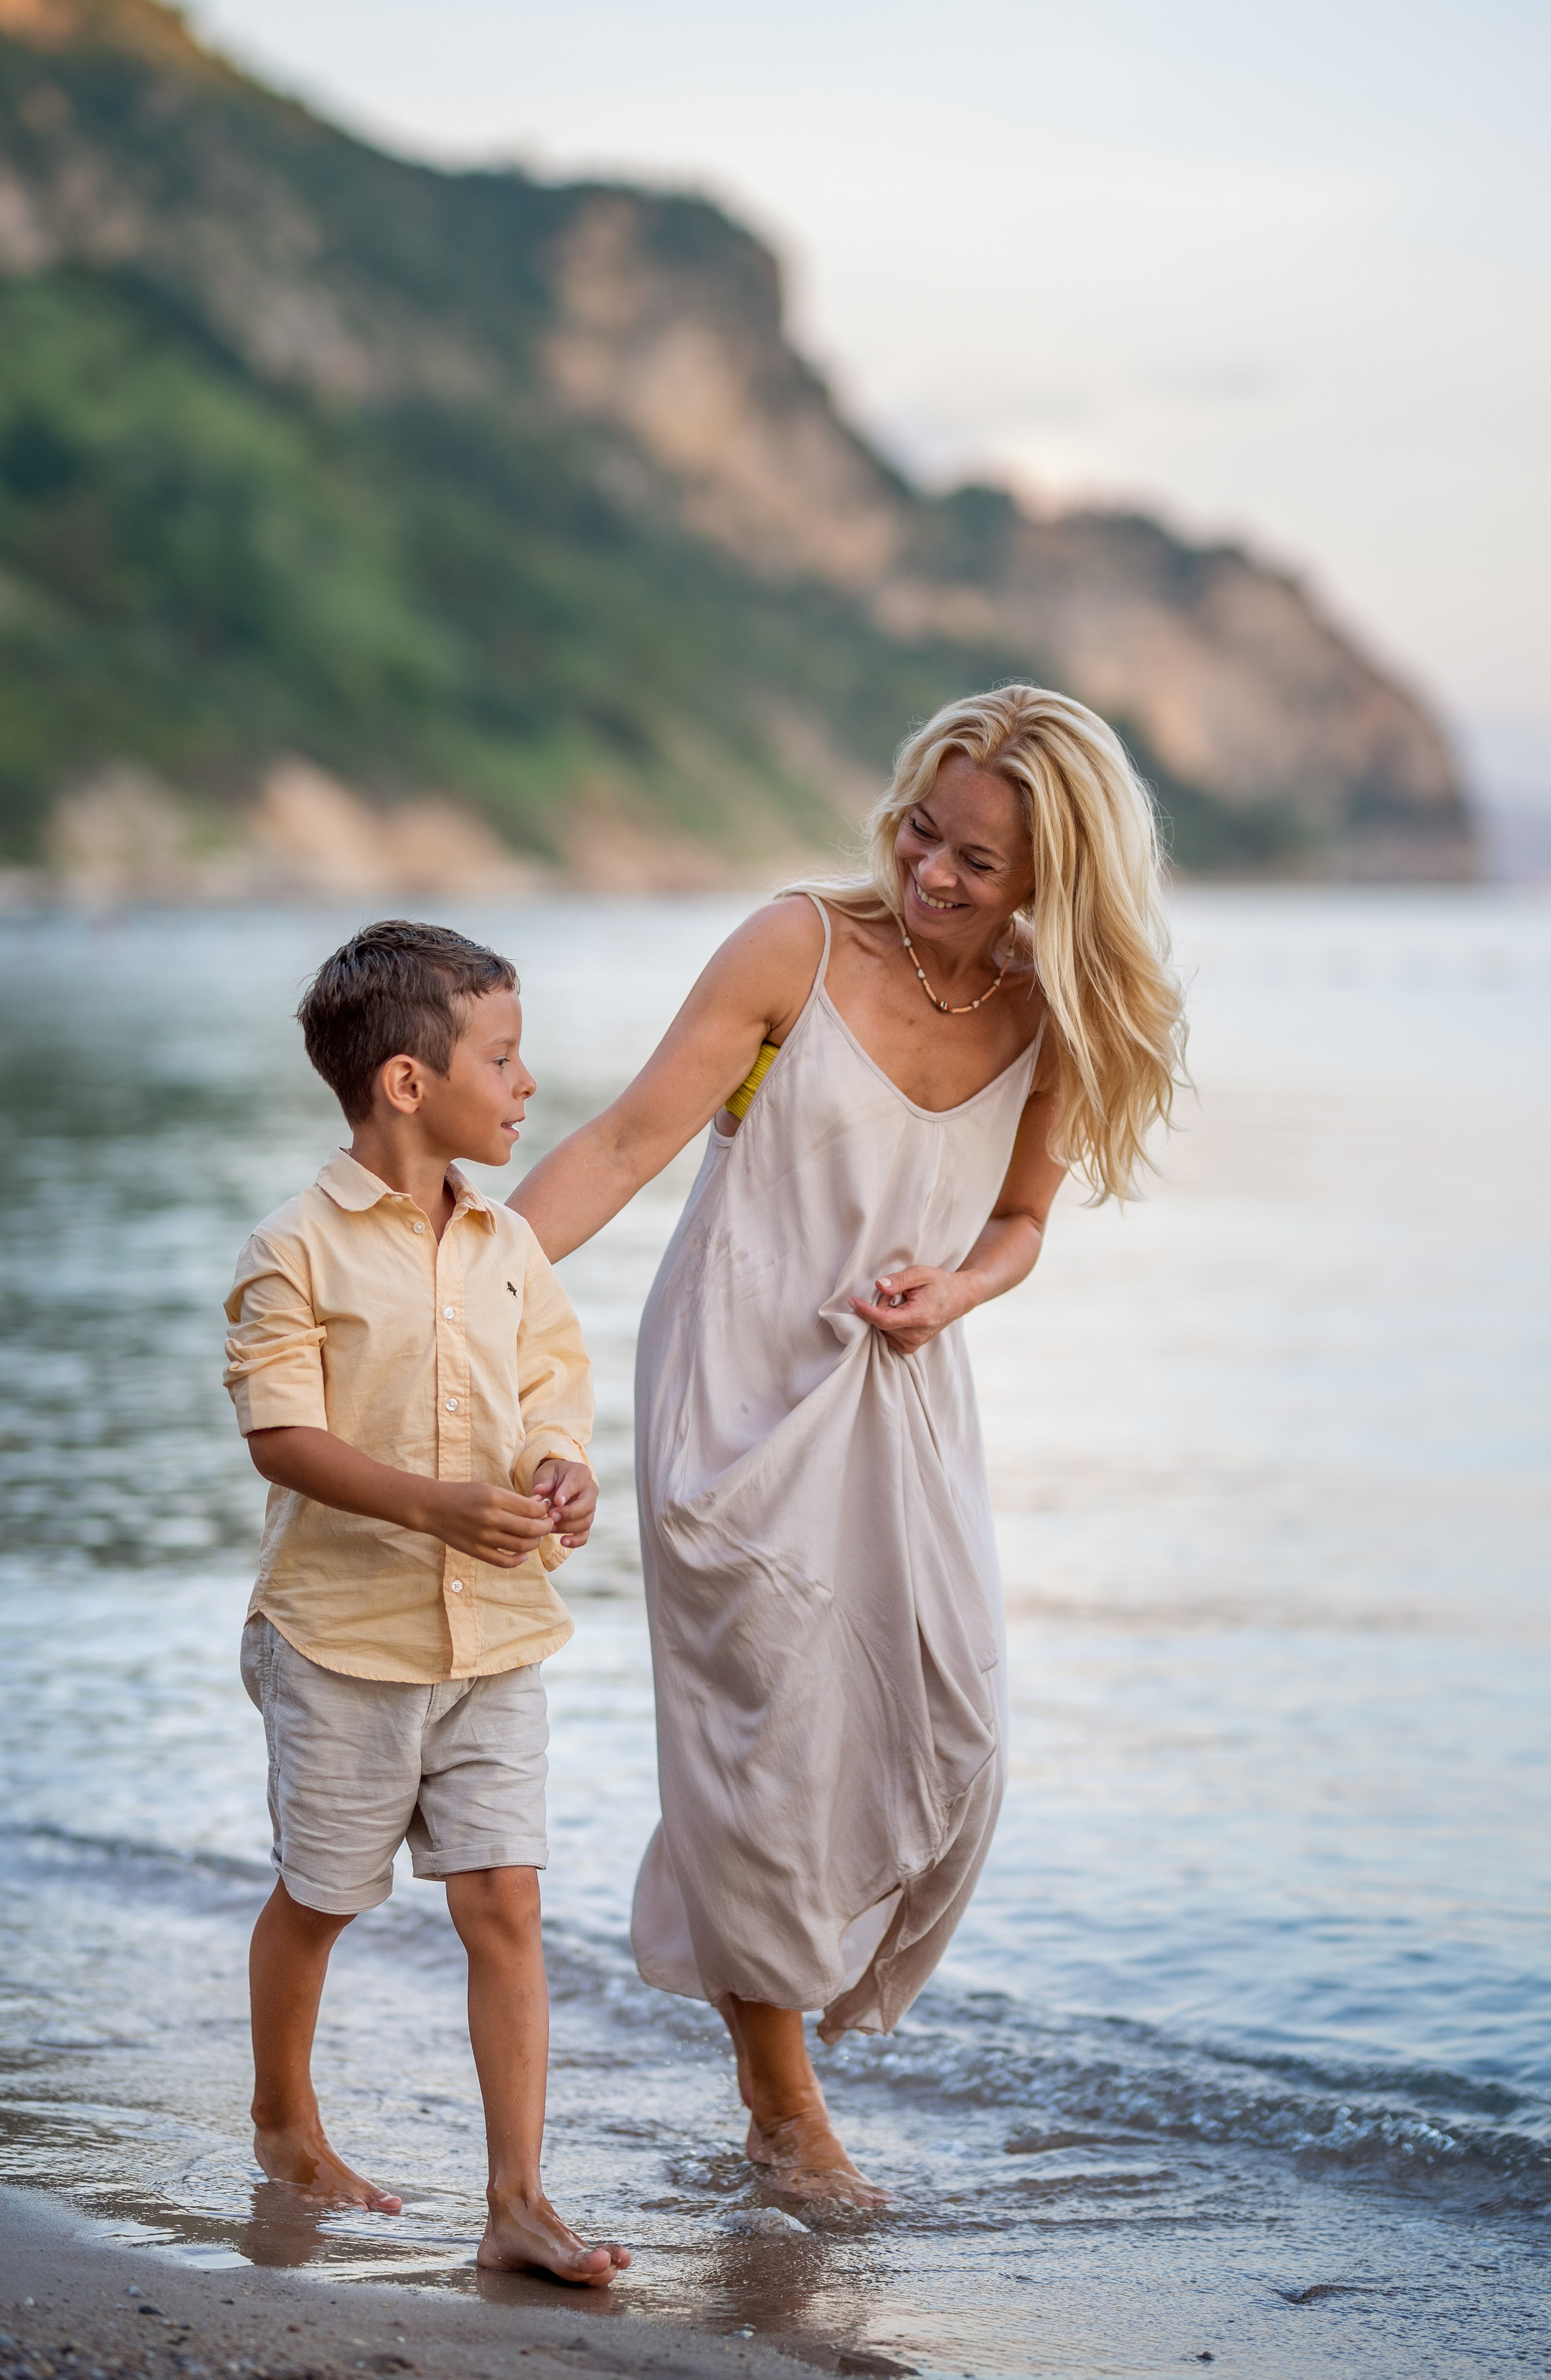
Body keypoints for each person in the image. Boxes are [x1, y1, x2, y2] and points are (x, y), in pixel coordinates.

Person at [509, 683, 1186, 2205]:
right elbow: (624, 1143)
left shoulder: (1049, 1014)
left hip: (899, 1387)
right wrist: (451, 1287)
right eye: (918, 833)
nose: (929, 875)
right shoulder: (790, 949)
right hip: (735, 1379)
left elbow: (1017, 1222)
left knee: (954, 1732)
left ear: (1048, 886)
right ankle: (780, 2104)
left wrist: (955, 1286)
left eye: (975, 864)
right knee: (765, 1740)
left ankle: (782, 2032)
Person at [223, 920, 629, 2285]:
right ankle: (286, 2122)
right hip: (341, 1642)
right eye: (502, 1058)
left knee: (504, 1902)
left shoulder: (511, 1244)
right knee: (324, 1898)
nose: (525, 1086)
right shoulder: (295, 1251)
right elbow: (281, 1440)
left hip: (496, 1641)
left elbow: (546, 1394)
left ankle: (516, 2199)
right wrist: (433, 1505)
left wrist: (557, 1472)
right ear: (408, 1082)